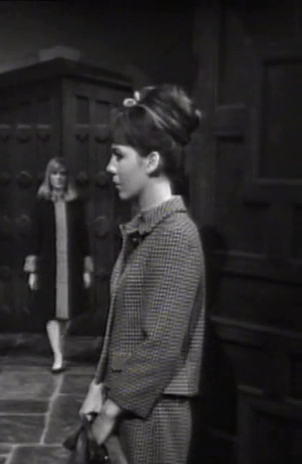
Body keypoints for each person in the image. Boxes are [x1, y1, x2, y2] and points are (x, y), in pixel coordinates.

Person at [79, 84, 206, 464]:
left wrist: (108, 414)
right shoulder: (146, 231)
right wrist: (98, 384)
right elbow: (124, 325)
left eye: (119, 156)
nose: (110, 167)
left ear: (151, 161)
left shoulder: (175, 235)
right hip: (129, 404)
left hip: (154, 412)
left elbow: (161, 346)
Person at [24, 157, 93, 373]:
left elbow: (83, 237)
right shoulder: (41, 205)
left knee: (68, 311)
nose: (59, 178)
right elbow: (34, 237)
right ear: (49, 177)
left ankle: (60, 347)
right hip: (48, 264)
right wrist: (33, 270)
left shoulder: (76, 204)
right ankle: (58, 355)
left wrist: (86, 268)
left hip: (71, 263)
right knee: (50, 311)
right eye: (55, 174)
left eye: (62, 174)